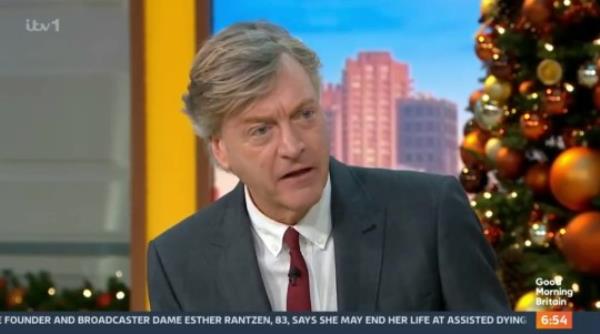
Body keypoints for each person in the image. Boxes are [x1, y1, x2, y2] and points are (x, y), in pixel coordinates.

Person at [147, 21, 510, 312]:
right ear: (221, 150)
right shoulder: (177, 262)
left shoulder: (430, 214)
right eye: (261, 130)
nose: (293, 146)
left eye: (304, 114)